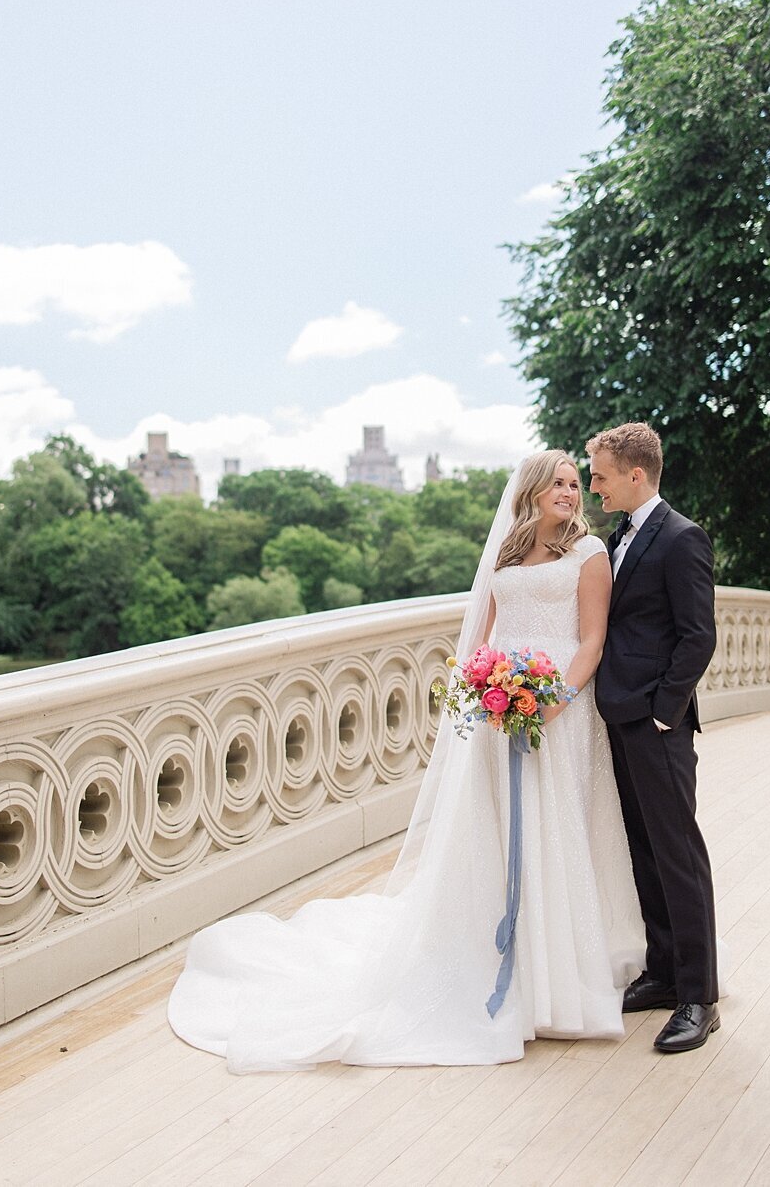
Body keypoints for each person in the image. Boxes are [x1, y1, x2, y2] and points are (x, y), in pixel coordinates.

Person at [167, 450, 645, 1071]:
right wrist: (481, 686)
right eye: (557, 482)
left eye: (576, 484)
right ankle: (493, 953)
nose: (570, 492)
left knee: (558, 828)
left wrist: (557, 700)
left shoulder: (588, 553)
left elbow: (592, 639)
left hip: (562, 709)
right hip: (502, 706)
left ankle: (560, 972)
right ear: (530, 490)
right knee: (500, 828)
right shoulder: (505, 554)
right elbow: (481, 637)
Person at [587, 423, 720, 1054]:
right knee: (644, 851)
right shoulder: (621, 536)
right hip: (619, 717)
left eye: (600, 475)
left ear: (635, 474)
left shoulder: (681, 537)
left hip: (656, 725)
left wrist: (665, 712)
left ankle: (699, 996)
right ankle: (664, 973)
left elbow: (698, 636)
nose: (594, 486)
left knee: (679, 856)